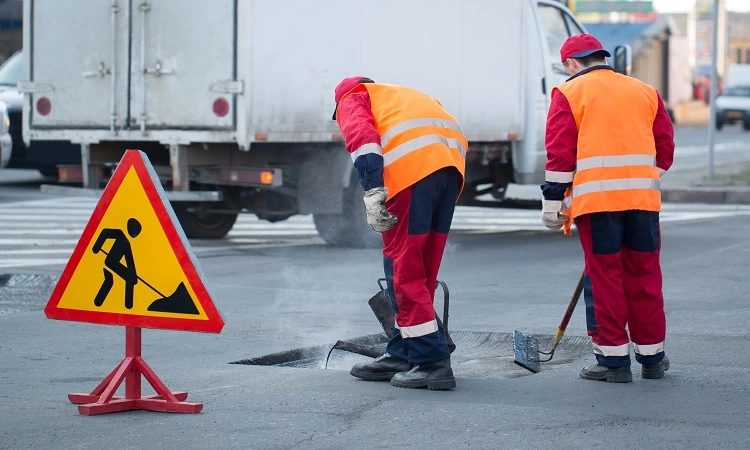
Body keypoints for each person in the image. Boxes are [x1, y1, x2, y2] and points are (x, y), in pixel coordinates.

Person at [540, 34, 675, 383]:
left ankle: (612, 361)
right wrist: (639, 179)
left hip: (598, 206)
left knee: (605, 279)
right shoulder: (645, 91)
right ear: (601, 57)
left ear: (571, 64)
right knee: (644, 277)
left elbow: (559, 155)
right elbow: (665, 150)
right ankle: (652, 358)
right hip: (643, 203)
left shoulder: (568, 93)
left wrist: (553, 202)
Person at [332, 76, 466, 390]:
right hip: (448, 175)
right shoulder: (403, 96)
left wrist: (373, 190)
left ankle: (432, 362)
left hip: (411, 177)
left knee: (403, 271)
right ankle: (403, 350)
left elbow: (363, 139)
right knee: (422, 269)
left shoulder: (353, 96)